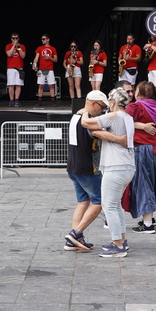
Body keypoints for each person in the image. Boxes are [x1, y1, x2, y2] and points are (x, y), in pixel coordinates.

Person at [81, 87, 134, 258]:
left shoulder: (114, 116)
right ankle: (121, 240)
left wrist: (85, 111)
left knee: (109, 206)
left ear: (112, 102)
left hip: (115, 166)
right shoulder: (128, 117)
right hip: (127, 165)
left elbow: (86, 123)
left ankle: (118, 245)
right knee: (116, 205)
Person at [125, 81, 156, 233]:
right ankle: (149, 218)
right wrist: (144, 125)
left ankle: (147, 224)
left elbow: (123, 122)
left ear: (138, 93)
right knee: (153, 183)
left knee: (143, 184)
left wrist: (140, 126)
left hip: (141, 149)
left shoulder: (135, 107)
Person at [64, 90, 107, 251]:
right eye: (102, 107)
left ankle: (74, 239)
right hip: (87, 168)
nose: (102, 111)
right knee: (99, 202)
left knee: (82, 202)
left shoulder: (76, 116)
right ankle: (75, 234)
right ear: (94, 103)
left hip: (74, 166)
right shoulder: (88, 121)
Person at [34, 34, 59, 102]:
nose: (42, 40)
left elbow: (56, 59)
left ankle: (53, 100)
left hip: (50, 68)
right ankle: (39, 101)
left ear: (48, 40)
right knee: (40, 85)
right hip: (41, 68)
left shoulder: (53, 48)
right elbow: (36, 57)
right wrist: (34, 64)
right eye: (42, 39)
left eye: (44, 39)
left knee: (51, 85)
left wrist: (49, 58)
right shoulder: (39, 48)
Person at [5, 32, 26, 106]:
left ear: (18, 39)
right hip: (11, 68)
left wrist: (18, 47)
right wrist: (13, 45)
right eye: (13, 38)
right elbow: (9, 54)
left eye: (16, 38)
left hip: (19, 67)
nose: (15, 39)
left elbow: (23, 56)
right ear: (11, 39)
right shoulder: (8, 46)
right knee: (11, 85)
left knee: (18, 85)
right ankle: (11, 100)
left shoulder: (22, 46)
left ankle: (16, 100)